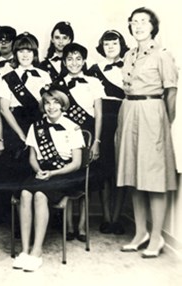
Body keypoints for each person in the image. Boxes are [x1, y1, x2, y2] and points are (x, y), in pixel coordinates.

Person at [118, 7, 178, 258]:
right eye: (134, 22)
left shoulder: (162, 55)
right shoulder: (129, 54)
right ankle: (140, 232)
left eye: (143, 21)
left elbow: (172, 93)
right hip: (129, 110)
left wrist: (163, 122)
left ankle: (156, 238)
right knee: (133, 175)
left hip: (152, 112)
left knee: (153, 178)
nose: (138, 26)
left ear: (153, 26)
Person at [12, 86, 85, 272]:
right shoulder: (35, 127)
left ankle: (37, 251)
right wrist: (39, 170)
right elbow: (32, 157)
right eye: (47, 103)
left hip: (65, 173)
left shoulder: (73, 127)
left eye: (56, 103)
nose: (51, 107)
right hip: (42, 171)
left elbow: (76, 163)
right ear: (43, 106)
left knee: (39, 195)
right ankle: (25, 250)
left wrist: (52, 173)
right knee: (26, 193)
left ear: (63, 105)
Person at [53, 43, 105, 241]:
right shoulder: (59, 84)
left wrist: (97, 141)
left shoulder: (94, 82)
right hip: (66, 136)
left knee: (86, 181)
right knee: (67, 179)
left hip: (88, 134)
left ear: (84, 61)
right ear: (64, 62)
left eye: (78, 59)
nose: (74, 63)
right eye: (69, 59)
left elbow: (98, 113)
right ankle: (67, 226)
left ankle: (82, 226)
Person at [87, 30, 129, 235]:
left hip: (125, 116)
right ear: (101, 47)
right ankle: (105, 217)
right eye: (106, 44)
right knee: (104, 170)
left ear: (121, 45)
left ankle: (117, 217)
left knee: (121, 168)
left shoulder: (130, 65)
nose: (110, 47)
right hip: (102, 119)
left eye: (114, 43)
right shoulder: (93, 70)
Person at [0, 32, 51, 192]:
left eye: (29, 51)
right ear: (15, 53)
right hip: (15, 125)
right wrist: (21, 135)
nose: (25, 55)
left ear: (34, 53)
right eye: (21, 51)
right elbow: (3, 109)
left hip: (38, 123)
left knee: (37, 169)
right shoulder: (7, 77)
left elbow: (49, 104)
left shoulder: (44, 75)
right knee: (13, 173)